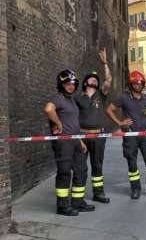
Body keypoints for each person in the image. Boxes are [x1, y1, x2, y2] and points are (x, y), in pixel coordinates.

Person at [106, 71, 146, 200]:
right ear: (131, 84)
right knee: (132, 163)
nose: (139, 86)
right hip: (130, 135)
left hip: (145, 135)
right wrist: (120, 122)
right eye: (136, 84)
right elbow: (109, 110)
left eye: (141, 83)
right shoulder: (124, 98)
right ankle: (135, 189)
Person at [44, 70, 95, 216]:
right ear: (61, 84)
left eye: (73, 84)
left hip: (75, 141)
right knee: (65, 172)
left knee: (81, 170)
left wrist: (80, 140)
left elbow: (73, 123)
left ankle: (77, 202)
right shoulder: (58, 98)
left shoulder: (71, 100)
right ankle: (62, 206)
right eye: (67, 84)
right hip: (63, 142)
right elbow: (48, 109)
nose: (71, 86)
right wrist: (58, 123)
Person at [74, 48, 112, 204]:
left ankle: (98, 193)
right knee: (80, 167)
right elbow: (73, 118)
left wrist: (105, 63)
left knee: (97, 165)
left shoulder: (101, 95)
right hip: (82, 136)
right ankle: (78, 197)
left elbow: (108, 80)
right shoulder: (78, 98)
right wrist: (78, 138)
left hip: (98, 136)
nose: (95, 80)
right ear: (85, 83)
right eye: (92, 79)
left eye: (96, 80)